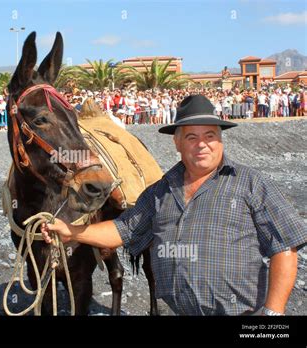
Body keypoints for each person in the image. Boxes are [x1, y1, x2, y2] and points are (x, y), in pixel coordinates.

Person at [41, 94, 307, 316]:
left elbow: (284, 245)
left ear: (220, 140)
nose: (202, 144)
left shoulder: (251, 183)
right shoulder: (161, 191)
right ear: (177, 142)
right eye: (191, 137)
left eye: (210, 136)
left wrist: (274, 314)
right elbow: (123, 229)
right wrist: (71, 231)